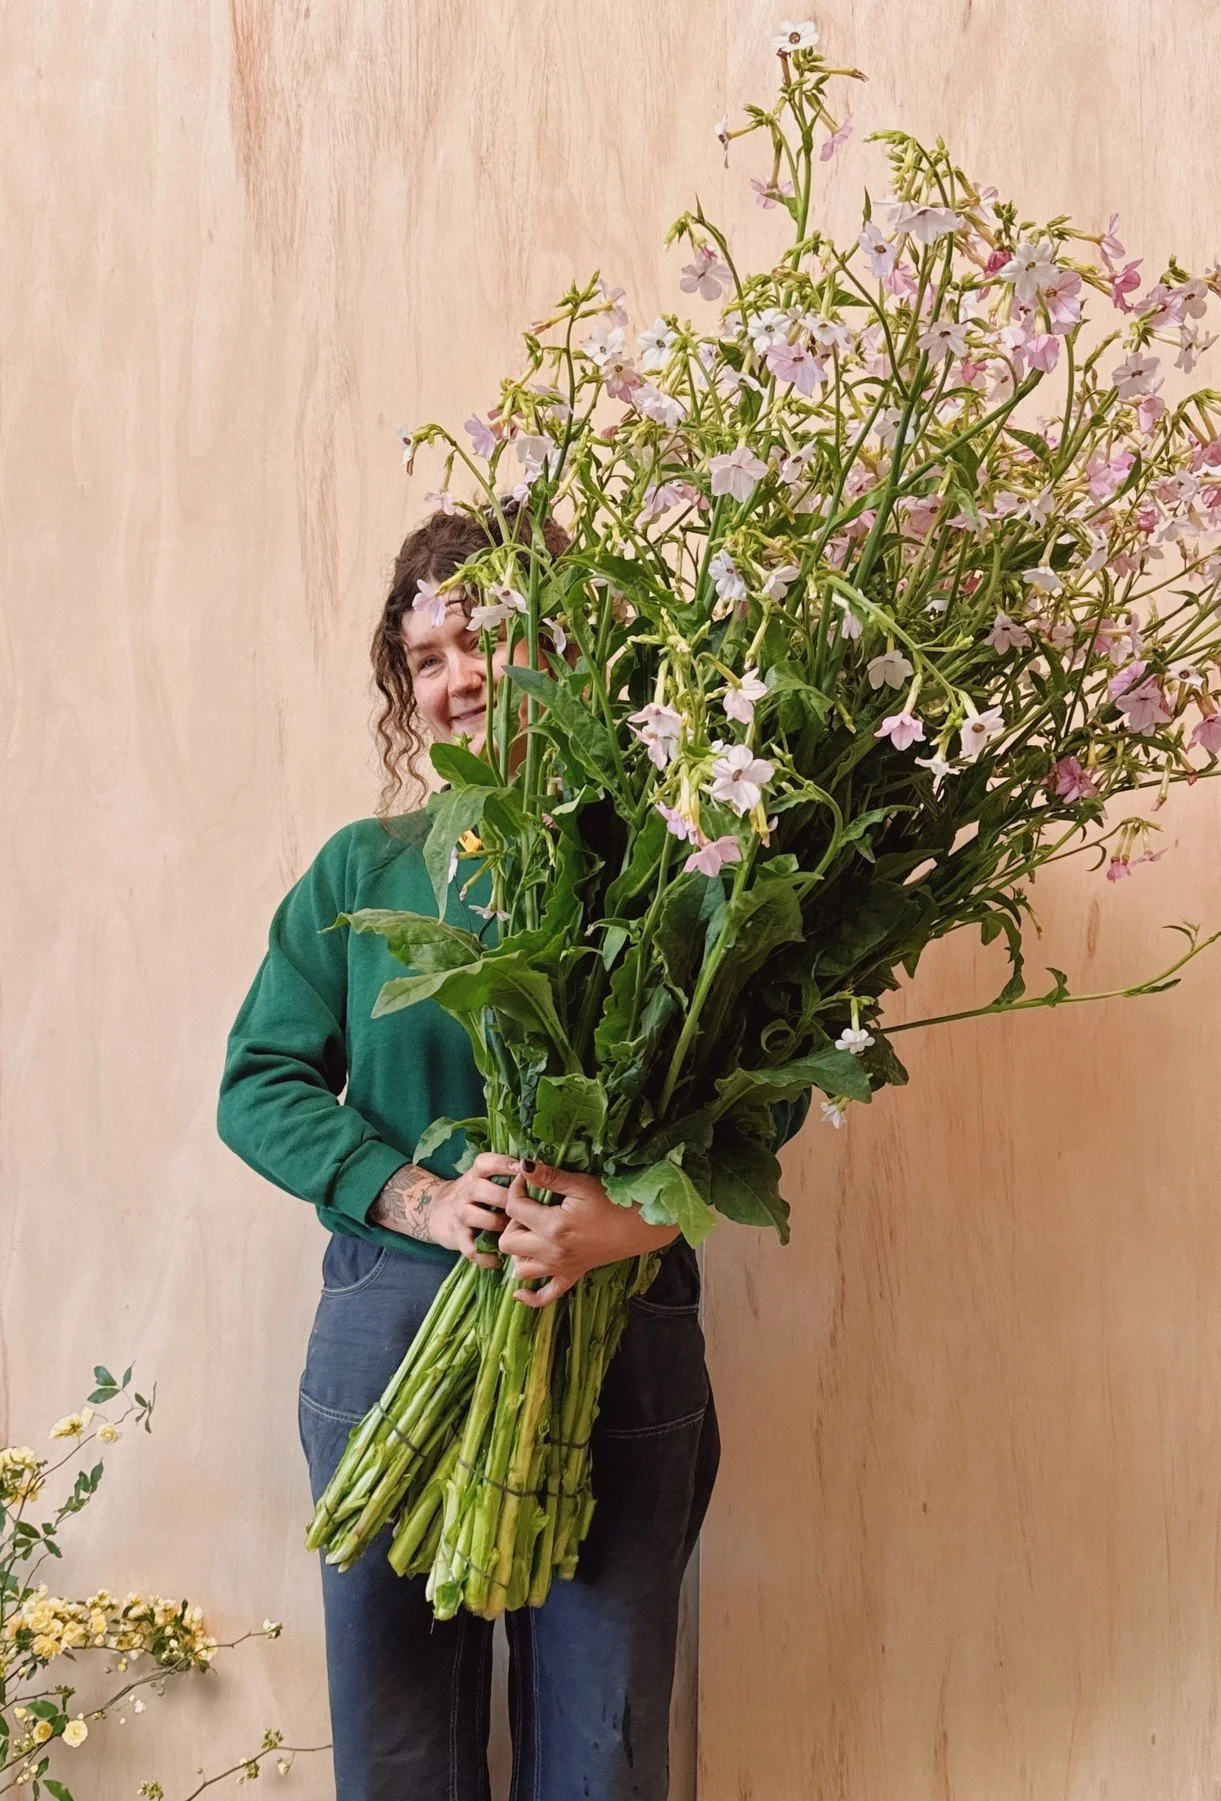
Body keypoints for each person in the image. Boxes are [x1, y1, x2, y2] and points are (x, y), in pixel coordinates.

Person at [216, 504, 808, 1801]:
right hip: (395, 1338)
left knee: (603, 1749)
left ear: (574, 649)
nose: (458, 675)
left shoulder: (669, 865)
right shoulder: (360, 874)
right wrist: (418, 1197)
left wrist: (628, 1222)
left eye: (484, 636)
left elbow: (761, 1099)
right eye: (425, 658)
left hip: (619, 1327)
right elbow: (258, 1084)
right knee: (399, 1755)